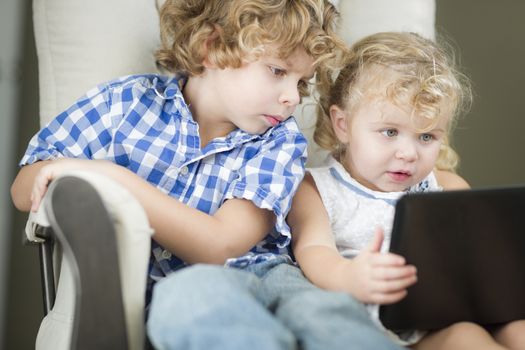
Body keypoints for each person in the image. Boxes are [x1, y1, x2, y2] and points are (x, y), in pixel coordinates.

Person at [11, 1, 406, 349]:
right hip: (175, 287)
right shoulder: (124, 105)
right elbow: (26, 185)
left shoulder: (279, 142)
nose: (292, 97)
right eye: (277, 70)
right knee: (194, 301)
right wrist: (62, 170)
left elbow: (221, 246)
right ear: (212, 48)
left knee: (324, 314)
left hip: (268, 274)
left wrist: (112, 177)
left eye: (301, 82)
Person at [287, 31, 525, 349]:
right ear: (343, 124)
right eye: (390, 132)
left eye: (426, 136)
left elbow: (482, 261)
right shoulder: (314, 189)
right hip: (394, 329)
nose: (409, 153)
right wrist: (349, 276)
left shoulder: (448, 187)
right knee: (467, 338)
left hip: (456, 310)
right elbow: (314, 251)